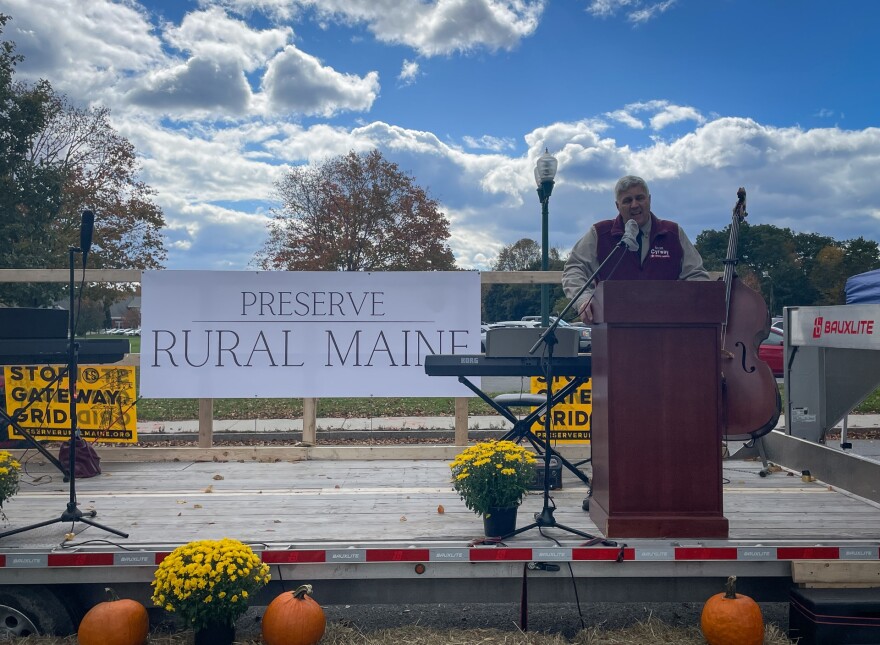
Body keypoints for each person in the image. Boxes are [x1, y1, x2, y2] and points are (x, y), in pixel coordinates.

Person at [562, 175, 709, 323]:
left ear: (649, 200)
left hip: (668, 331)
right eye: (627, 200)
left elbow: (696, 275)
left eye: (640, 198)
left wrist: (684, 304)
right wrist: (583, 299)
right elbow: (574, 268)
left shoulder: (673, 233)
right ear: (617, 206)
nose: (634, 205)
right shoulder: (600, 233)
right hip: (613, 330)